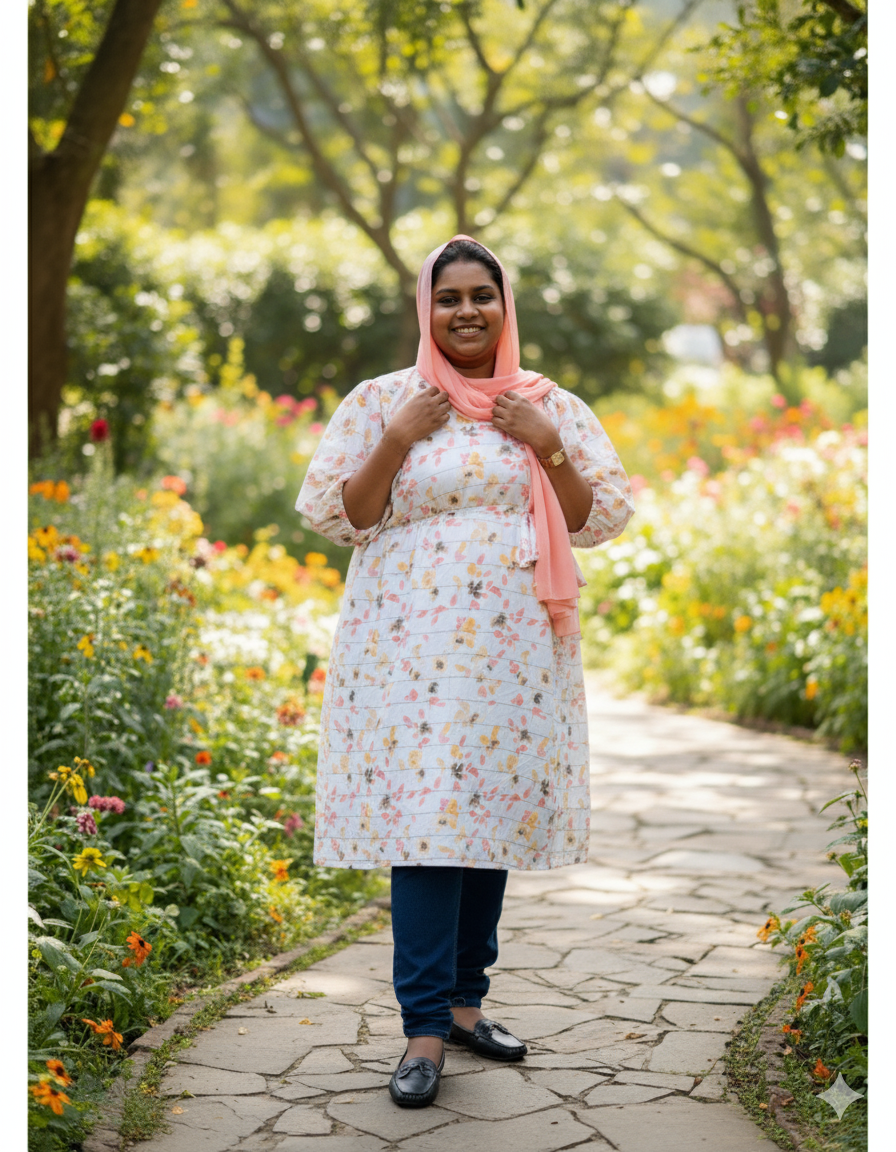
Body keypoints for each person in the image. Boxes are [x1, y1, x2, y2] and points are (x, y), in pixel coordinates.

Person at [295, 235, 634, 1108]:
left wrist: (549, 444)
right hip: (405, 656)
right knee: (427, 832)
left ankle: (465, 1005)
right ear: (426, 309)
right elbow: (345, 514)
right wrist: (400, 439)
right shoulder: (383, 402)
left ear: (505, 305)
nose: (468, 311)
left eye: (483, 294)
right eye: (449, 298)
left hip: (511, 658)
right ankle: (420, 1033)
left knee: (487, 825)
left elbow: (597, 520)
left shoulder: (546, 403)